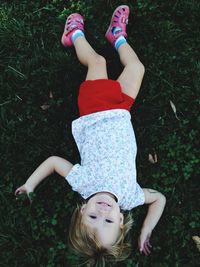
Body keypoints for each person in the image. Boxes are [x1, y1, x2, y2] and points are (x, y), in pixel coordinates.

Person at [15, 5, 166, 265]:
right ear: (121, 220)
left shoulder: (85, 184)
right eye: (108, 220)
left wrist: (30, 185)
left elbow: (53, 162)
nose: (102, 211)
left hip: (95, 111)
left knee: (98, 62)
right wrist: (146, 231)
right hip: (121, 111)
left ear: (82, 210)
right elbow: (159, 199)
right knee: (137, 68)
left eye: (92, 217)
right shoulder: (131, 196)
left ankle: (73, 35)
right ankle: (117, 35)